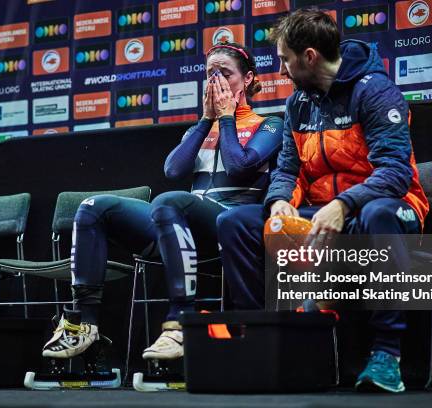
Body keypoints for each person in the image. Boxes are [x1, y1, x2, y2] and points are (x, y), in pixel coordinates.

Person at [216, 10, 429, 393]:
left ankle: (386, 356)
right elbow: (287, 170)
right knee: (235, 223)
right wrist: (279, 201)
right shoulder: (299, 103)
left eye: (285, 59)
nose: (281, 70)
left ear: (309, 56)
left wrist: (345, 204)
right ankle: (263, 337)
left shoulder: (375, 92)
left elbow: (396, 173)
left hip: (389, 206)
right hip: (322, 213)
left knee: (379, 213)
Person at [41, 42, 283, 362]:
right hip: (180, 222)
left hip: (229, 225)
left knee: (170, 201)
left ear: (249, 79)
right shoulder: (202, 129)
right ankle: (84, 323)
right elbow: (173, 170)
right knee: (92, 207)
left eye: (225, 73)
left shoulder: (270, 124)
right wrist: (205, 121)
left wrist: (226, 118)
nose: (216, 82)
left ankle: (179, 321)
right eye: (210, 74)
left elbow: (240, 166)